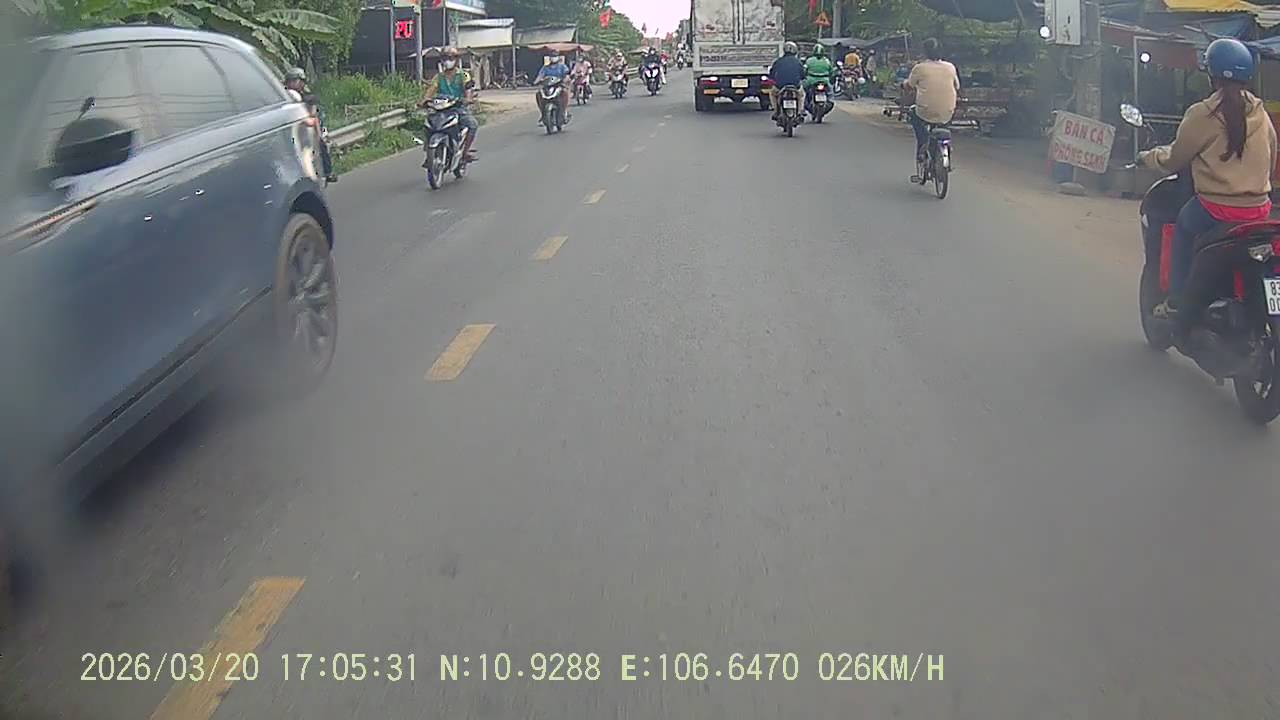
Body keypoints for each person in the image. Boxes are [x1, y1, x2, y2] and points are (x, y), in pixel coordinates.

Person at [1138, 37, 1277, 323]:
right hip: (1259, 210)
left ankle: (1176, 300)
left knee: (1183, 227)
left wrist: (1149, 157)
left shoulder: (1203, 113)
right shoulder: (1260, 113)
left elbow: (1175, 158)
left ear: (1211, 75)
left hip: (1216, 209)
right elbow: (1272, 157)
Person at [902, 38, 959, 178]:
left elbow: (910, 85)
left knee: (913, 114)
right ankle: (944, 149)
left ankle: (923, 146)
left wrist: (904, 84)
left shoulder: (920, 68)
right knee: (943, 125)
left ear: (925, 52)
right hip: (947, 110)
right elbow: (957, 86)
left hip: (925, 111)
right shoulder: (950, 67)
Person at [420, 47, 479, 160]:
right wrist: (424, 100)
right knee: (428, 125)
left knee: (472, 124)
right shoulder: (438, 77)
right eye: (445, 58)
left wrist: (467, 99)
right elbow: (431, 90)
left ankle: (465, 152)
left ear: (456, 59)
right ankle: (429, 152)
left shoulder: (463, 75)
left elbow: (468, 90)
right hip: (440, 109)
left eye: (450, 58)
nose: (447, 61)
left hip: (458, 108)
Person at [284, 67, 338, 183]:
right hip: (293, 130)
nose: (294, 83)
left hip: (307, 128)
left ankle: (328, 172)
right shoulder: (285, 97)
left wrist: (318, 133)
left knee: (321, 145)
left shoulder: (308, 97)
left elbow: (313, 116)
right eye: (291, 81)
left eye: (296, 81)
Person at [767, 41, 806, 120]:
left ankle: (776, 111)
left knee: (772, 93)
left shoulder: (779, 61)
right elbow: (802, 75)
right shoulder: (798, 62)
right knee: (801, 95)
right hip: (795, 85)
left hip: (780, 86)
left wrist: (772, 78)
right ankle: (800, 111)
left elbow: (772, 73)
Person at [535, 52, 572, 125]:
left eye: (555, 56)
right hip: (547, 86)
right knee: (538, 94)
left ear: (558, 57)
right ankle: (543, 114)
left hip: (559, 85)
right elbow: (540, 75)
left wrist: (566, 79)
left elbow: (567, 75)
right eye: (552, 56)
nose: (553, 58)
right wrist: (536, 81)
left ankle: (564, 112)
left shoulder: (562, 66)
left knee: (565, 93)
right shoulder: (545, 67)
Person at [804, 43, 835, 114]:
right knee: (830, 93)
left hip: (811, 80)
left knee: (804, 92)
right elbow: (831, 71)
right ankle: (829, 101)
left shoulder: (809, 60)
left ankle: (804, 106)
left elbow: (804, 70)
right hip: (825, 80)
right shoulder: (826, 61)